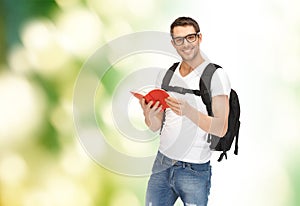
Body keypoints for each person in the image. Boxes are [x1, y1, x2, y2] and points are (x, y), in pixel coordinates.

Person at [140, 17, 231, 206]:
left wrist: (189, 111)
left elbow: (221, 128)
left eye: (190, 37)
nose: (186, 44)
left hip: (194, 170)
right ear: (173, 43)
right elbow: (156, 126)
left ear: (199, 38)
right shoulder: (167, 75)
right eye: (179, 40)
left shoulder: (215, 76)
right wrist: (148, 114)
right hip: (162, 164)